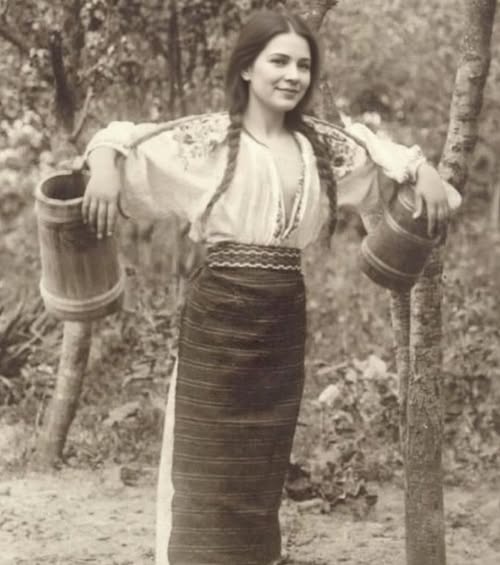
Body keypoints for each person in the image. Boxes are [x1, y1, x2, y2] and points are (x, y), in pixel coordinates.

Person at [82, 9, 459, 565]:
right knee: (205, 464)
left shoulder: (321, 147)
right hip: (219, 317)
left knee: (259, 471)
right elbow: (117, 138)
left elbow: (395, 165)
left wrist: (421, 171)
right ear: (246, 68)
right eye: (278, 61)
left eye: (303, 65)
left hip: (282, 317)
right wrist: (103, 167)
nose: (293, 75)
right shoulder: (208, 138)